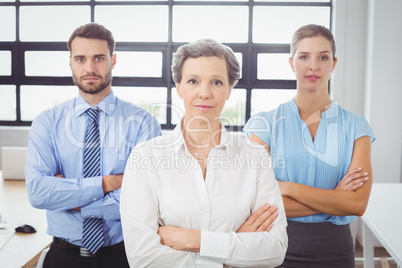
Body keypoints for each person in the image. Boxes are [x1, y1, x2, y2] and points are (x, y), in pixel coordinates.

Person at [120, 39, 288, 267]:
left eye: (216, 82)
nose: (204, 93)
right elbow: (143, 258)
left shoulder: (255, 157)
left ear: (229, 89)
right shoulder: (145, 157)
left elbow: (274, 249)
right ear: (178, 88)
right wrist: (229, 256)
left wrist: (192, 239)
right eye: (193, 81)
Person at [25, 22, 161, 268]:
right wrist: (107, 183)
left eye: (99, 58)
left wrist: (69, 199)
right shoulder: (47, 123)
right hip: (62, 257)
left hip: (124, 257)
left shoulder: (143, 123)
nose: (89, 68)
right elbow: (38, 192)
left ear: (113, 59)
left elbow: (144, 200)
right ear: (70, 62)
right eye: (80, 59)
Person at [243, 24, 375, 267]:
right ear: (292, 63)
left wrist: (287, 187)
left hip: (336, 249)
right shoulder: (264, 124)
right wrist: (336, 200)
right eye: (304, 57)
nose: (313, 66)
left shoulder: (356, 127)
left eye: (323, 57)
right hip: (275, 243)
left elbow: (357, 204)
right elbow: (258, 203)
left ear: (334, 63)